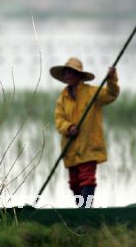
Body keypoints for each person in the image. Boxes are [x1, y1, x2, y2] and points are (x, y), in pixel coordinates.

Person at [50, 57, 119, 208]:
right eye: (66, 73)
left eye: (72, 72)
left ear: (79, 75)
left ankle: (85, 210)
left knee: (87, 178)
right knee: (74, 182)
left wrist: (111, 79)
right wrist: (69, 127)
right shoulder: (62, 98)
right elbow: (59, 120)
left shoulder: (92, 92)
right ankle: (82, 211)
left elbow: (111, 95)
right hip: (71, 147)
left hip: (89, 145)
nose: (68, 75)